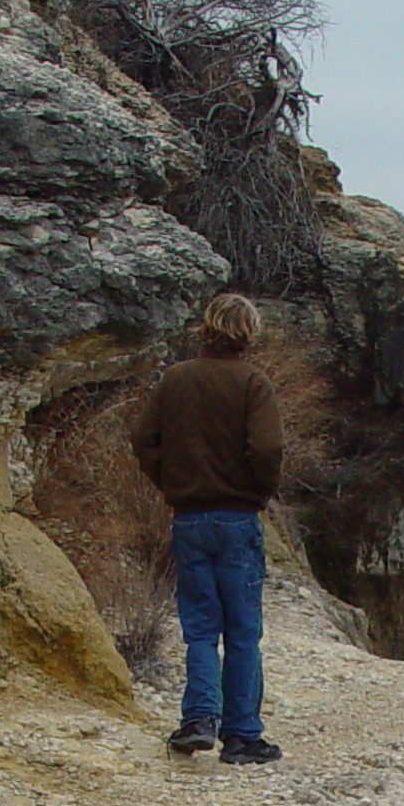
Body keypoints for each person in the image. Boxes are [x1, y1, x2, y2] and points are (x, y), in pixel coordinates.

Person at [130, 293, 284, 764]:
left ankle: (198, 720)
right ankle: (241, 736)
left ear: (207, 327)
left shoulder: (175, 379)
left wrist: (171, 482)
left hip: (188, 517)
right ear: (249, 332)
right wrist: (259, 492)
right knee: (241, 630)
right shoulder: (253, 382)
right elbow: (268, 448)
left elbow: (142, 440)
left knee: (200, 629)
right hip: (238, 519)